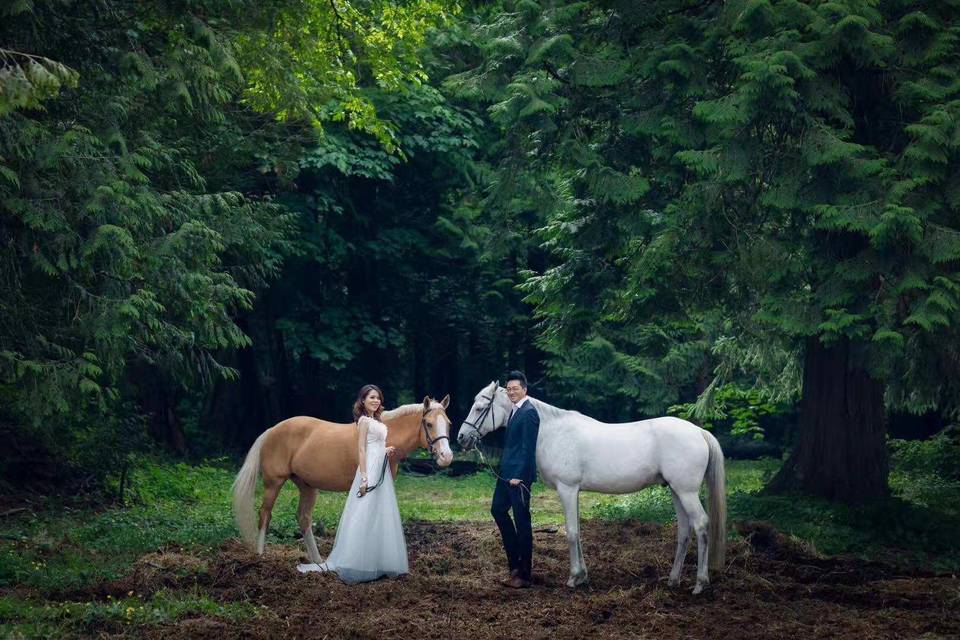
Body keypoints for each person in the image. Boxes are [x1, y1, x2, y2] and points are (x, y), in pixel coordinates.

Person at [297, 384, 408, 583]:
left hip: (380, 466)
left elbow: (376, 447)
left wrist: (387, 450)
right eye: (372, 397)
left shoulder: (377, 420)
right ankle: (356, 561)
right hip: (369, 468)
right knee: (364, 512)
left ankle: (377, 560)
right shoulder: (364, 421)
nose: (376, 400)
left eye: (378, 397)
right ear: (363, 401)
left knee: (379, 512)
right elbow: (362, 450)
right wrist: (364, 477)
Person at [491, 370, 540, 588]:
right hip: (505, 474)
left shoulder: (529, 412)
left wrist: (519, 476)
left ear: (524, 389)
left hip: (518, 478)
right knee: (497, 509)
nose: (511, 392)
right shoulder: (514, 410)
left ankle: (525, 574)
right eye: (509, 389)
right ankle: (514, 564)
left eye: (515, 388)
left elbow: (529, 449)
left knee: (522, 522)